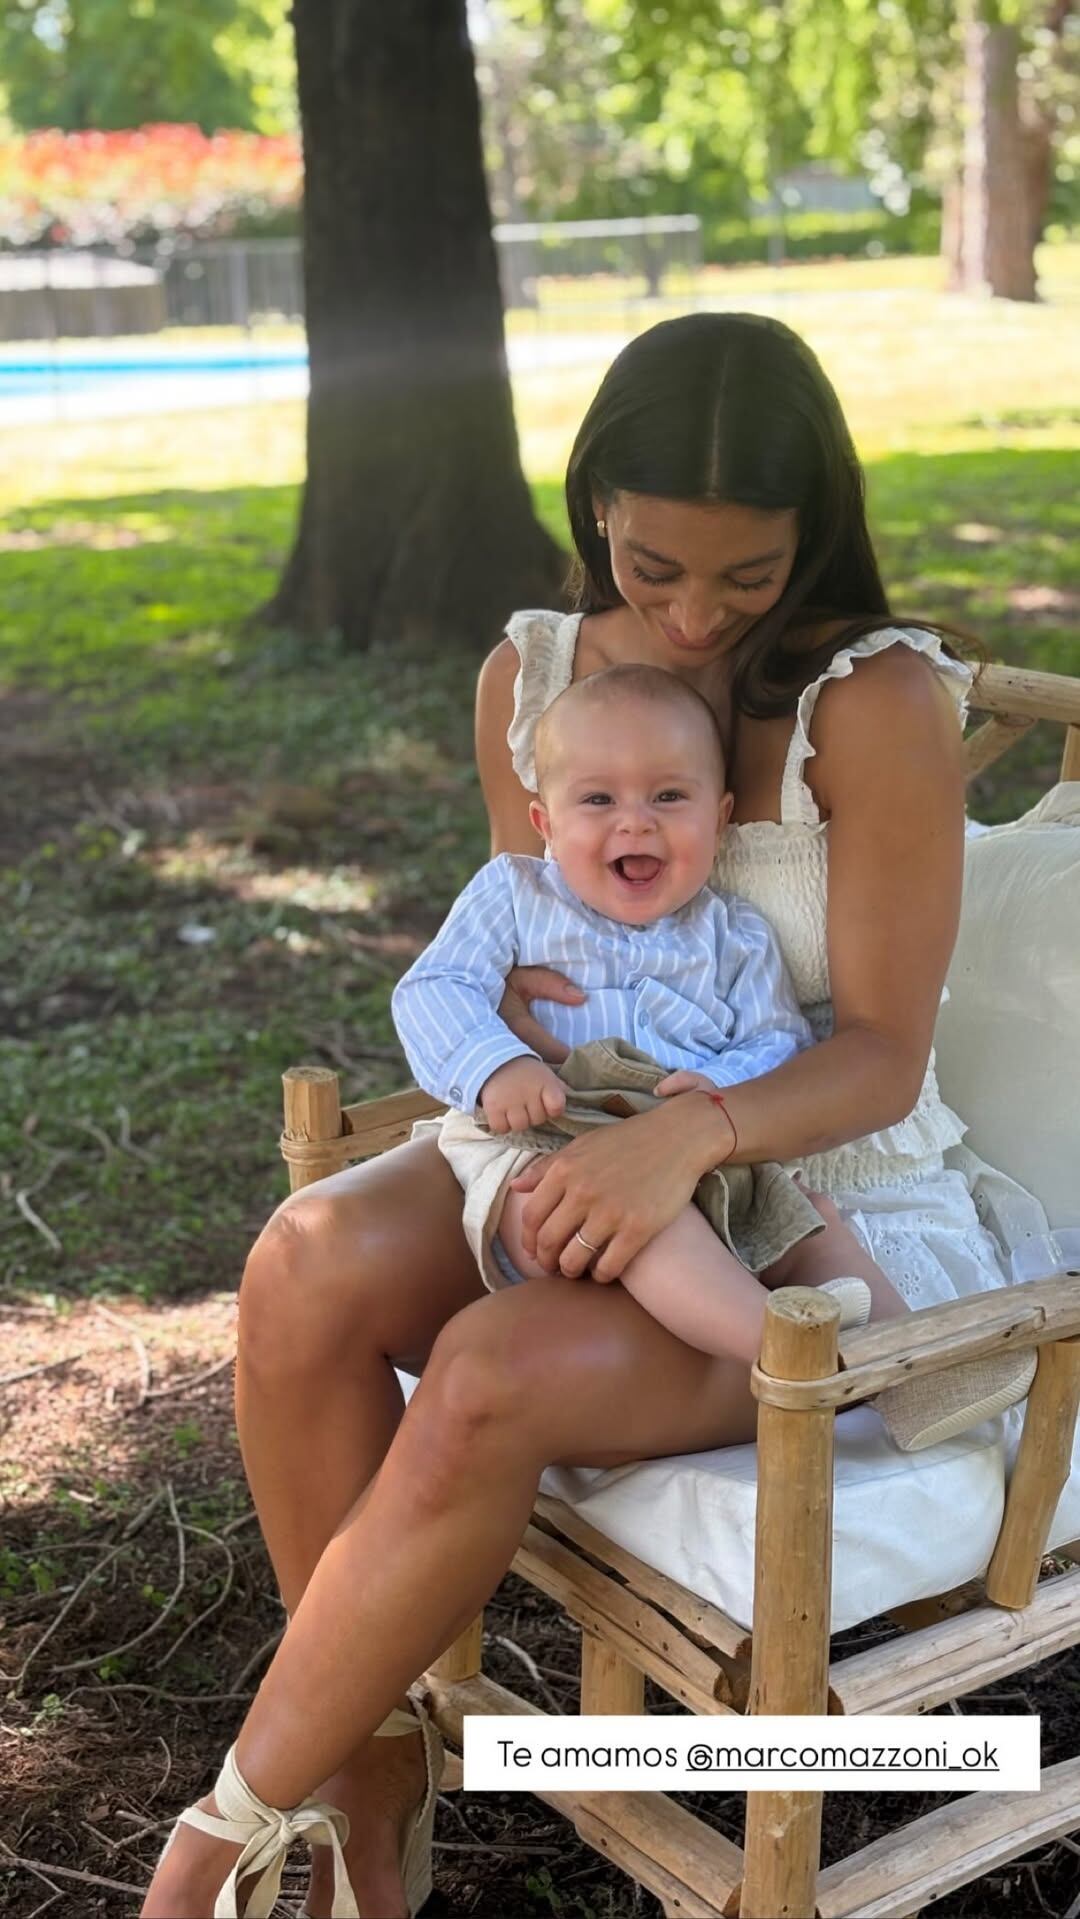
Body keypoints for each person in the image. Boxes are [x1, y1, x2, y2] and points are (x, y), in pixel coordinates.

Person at [141, 312, 1036, 1919]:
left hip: (809, 1185)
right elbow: (529, 941)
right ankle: (365, 1770)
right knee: (303, 1259)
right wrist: (536, 1082)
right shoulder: (533, 674)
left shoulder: (876, 701)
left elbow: (886, 1052)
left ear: (812, 532)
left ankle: (223, 1826)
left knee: (486, 1370)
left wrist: (687, 1137)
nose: (693, 618)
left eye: (746, 579)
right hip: (578, 1134)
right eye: (651, 563)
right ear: (592, 508)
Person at [393, 662, 896, 1369]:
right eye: (597, 799)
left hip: (694, 1150)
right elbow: (433, 986)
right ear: (546, 822)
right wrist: (495, 1064)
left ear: (718, 818)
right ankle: (799, 1361)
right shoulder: (514, 893)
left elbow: (777, 1039)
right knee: (654, 1228)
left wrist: (717, 1083)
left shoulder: (734, 932)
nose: (636, 819)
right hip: (548, 1147)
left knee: (811, 1221)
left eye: (668, 795)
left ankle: (913, 1365)